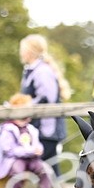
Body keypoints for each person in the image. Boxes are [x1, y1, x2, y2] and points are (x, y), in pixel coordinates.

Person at [19, 34, 71, 162]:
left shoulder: (42, 71)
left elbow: (47, 98)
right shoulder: (31, 70)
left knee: (45, 168)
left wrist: (25, 106)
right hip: (38, 129)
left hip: (46, 130)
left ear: (30, 51)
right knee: (48, 171)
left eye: (23, 49)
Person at [0, 93, 53, 188]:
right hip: (15, 159)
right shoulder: (8, 128)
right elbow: (8, 149)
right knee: (17, 175)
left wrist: (38, 149)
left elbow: (37, 144)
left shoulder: (31, 128)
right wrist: (29, 151)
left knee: (45, 171)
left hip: (33, 159)